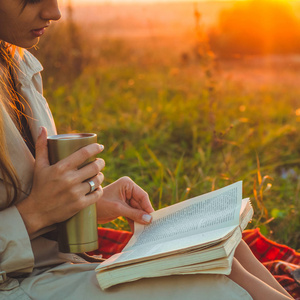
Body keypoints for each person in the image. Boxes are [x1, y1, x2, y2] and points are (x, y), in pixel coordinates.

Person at [0, 1, 294, 299]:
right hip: (14, 283)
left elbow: (24, 194)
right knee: (215, 281)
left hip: (48, 265)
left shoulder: (15, 60)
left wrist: (84, 204)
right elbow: (31, 211)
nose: (54, 12)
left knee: (224, 247)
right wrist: (35, 214)